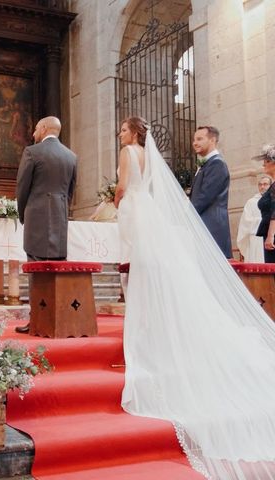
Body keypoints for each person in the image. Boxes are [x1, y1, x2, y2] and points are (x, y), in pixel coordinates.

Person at [116, 116, 275, 479]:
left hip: (207, 229)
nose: (194, 142)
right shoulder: (155, 157)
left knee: (199, 285)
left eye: (199, 137)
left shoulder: (215, 166)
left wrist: (174, 216)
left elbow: (197, 200)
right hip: (165, 219)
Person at [14, 116, 76, 333]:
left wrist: (23, 214)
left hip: (37, 217)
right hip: (59, 217)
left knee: (36, 270)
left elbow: (23, 188)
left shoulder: (32, 152)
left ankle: (38, 320)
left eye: (36, 129)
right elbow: (70, 193)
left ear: (43, 128)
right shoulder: (70, 156)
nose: (33, 134)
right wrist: (61, 210)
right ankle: (58, 319)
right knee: (57, 269)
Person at [190, 125, 232, 258]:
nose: (195, 143)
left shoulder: (217, 164)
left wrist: (185, 214)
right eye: (194, 139)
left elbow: (205, 197)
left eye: (199, 139)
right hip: (203, 224)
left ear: (212, 140)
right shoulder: (207, 164)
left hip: (212, 226)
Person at [238, 174, 271, 262]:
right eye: (260, 184)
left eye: (265, 184)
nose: (262, 187)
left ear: (270, 186)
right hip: (256, 239)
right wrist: (263, 221)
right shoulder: (251, 202)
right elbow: (246, 222)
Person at [256, 144, 275, 263]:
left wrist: (271, 235)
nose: (263, 164)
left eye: (267, 161)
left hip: (272, 234)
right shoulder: (272, 186)